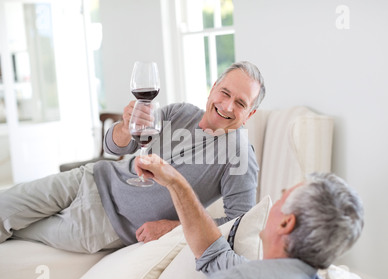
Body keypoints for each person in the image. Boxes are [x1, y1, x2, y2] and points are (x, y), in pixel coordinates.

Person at [0, 61, 265, 253]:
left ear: (250, 114)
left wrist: (172, 226)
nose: (228, 106)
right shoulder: (182, 113)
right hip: (89, 178)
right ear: (213, 89)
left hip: (104, 223)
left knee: (13, 229)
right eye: (225, 93)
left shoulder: (239, 154)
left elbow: (239, 223)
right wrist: (126, 127)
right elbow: (116, 147)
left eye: (241, 103)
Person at [136, 154, 364, 279]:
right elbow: (214, 254)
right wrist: (175, 182)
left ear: (286, 222)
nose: (276, 203)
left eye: (282, 197)